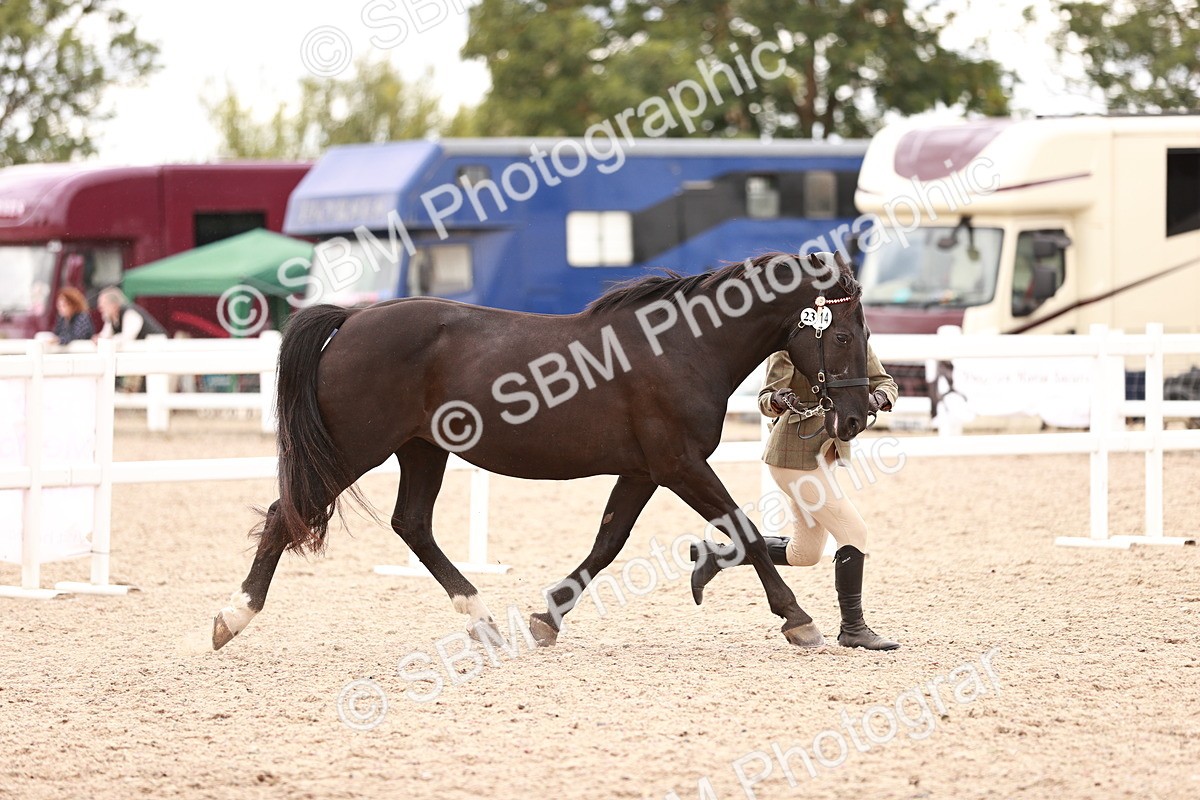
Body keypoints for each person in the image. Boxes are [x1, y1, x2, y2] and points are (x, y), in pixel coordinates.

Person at [689, 343, 901, 650]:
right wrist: (778, 400)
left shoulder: (855, 341)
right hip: (793, 457)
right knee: (854, 531)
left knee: (806, 554)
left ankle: (718, 555)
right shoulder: (792, 345)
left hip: (824, 458)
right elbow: (765, 399)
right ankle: (853, 628)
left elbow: (885, 382)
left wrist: (879, 398)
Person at [96, 287, 166, 342]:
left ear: (114, 305)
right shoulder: (111, 317)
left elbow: (128, 337)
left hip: (156, 347)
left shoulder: (130, 313)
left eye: (103, 305)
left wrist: (108, 340)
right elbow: (106, 335)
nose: (100, 309)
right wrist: (99, 339)